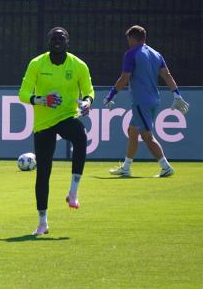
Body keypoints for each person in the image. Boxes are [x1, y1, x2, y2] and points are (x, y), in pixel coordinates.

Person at [19, 27, 94, 236]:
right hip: (43, 123)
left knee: (80, 136)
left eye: (61, 38)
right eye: (53, 38)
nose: (57, 41)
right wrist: (41, 100)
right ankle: (42, 221)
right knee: (43, 172)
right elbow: (23, 94)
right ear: (48, 42)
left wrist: (87, 102)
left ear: (67, 42)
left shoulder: (78, 65)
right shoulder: (37, 63)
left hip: (66, 117)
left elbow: (89, 91)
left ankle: (73, 191)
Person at [104, 25, 189, 178]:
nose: (128, 42)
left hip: (141, 102)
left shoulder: (131, 54)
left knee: (147, 136)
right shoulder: (156, 54)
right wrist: (177, 95)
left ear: (132, 38)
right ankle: (126, 167)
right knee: (132, 131)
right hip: (154, 100)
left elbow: (124, 78)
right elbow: (167, 75)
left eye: (128, 39)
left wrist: (111, 94)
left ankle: (165, 166)